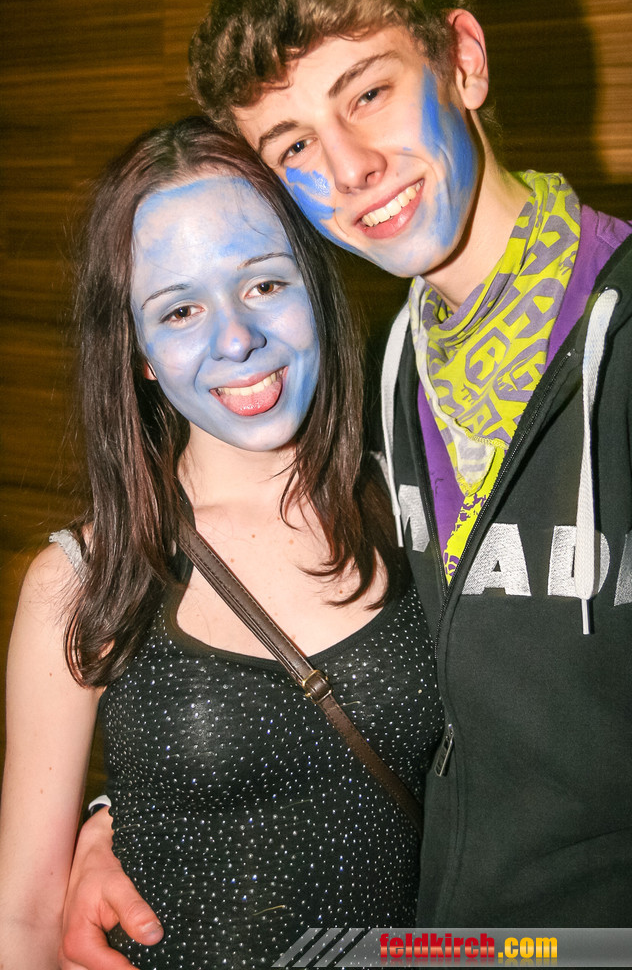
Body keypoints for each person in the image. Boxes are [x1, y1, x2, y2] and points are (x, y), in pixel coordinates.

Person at [56, 0, 632, 960]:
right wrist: (118, 818)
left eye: (369, 93)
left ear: (464, 60)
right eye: (295, 143)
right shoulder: (391, 388)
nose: (350, 169)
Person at [0, 115, 444, 969]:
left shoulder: (423, 508)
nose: (236, 339)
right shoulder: (84, 578)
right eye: (180, 309)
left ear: (316, 285)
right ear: (140, 354)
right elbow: (22, 923)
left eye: (265, 284)